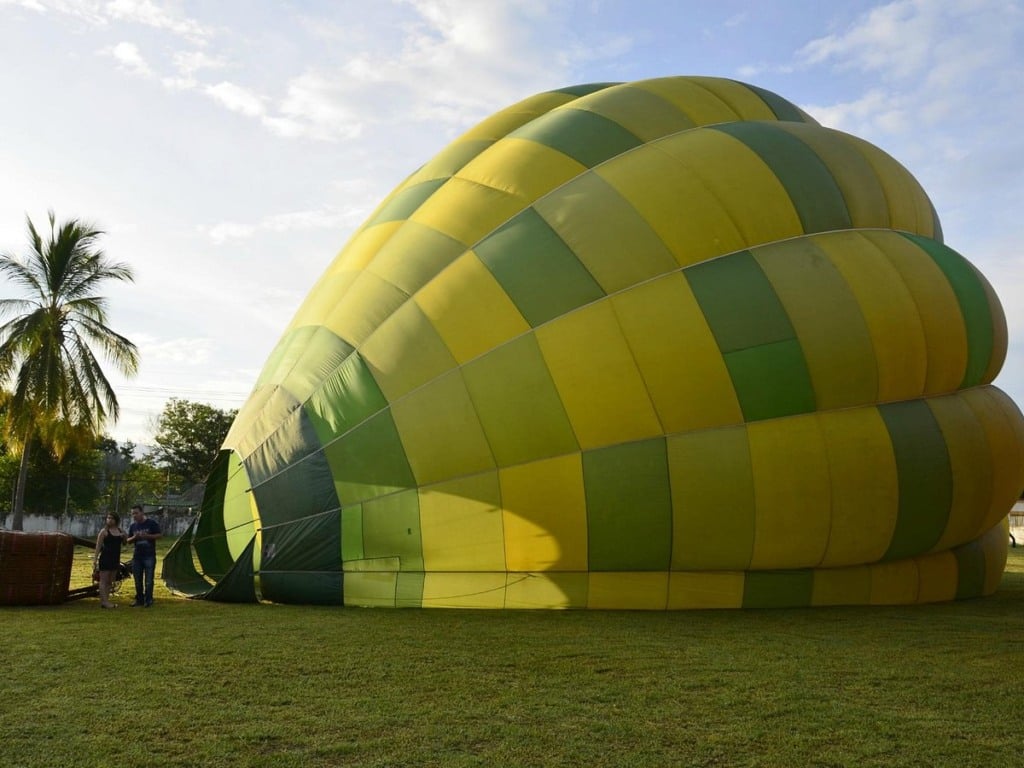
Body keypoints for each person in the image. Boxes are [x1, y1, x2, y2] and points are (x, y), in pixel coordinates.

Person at [127, 504, 162, 607]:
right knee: (137, 580)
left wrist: (147, 536)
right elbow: (128, 540)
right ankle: (139, 599)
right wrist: (134, 537)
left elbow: (159, 535)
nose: (134, 515)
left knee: (149, 580)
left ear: (142, 513)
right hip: (137, 556)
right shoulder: (133, 526)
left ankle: (149, 599)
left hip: (149, 555)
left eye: (136, 513)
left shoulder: (151, 523)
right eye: (133, 513)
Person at [93, 512, 127, 608]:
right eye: (108, 518)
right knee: (103, 580)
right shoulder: (104, 532)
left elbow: (125, 542)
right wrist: (95, 560)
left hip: (115, 559)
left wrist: (124, 536)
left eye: (112, 518)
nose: (109, 520)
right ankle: (104, 601)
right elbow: (98, 546)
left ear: (116, 520)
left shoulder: (120, 530)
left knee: (110, 581)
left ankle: (106, 600)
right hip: (105, 558)